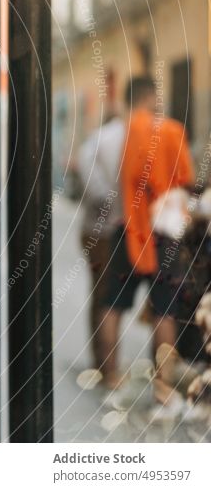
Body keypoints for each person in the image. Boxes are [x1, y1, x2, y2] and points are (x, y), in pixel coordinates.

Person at [97, 76, 194, 404]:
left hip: (127, 231)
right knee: (164, 310)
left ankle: (110, 375)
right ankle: (163, 388)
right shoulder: (172, 132)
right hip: (165, 235)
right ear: (152, 96)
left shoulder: (114, 135)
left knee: (112, 305)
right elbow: (186, 181)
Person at [76, 111, 125, 373]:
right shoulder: (105, 140)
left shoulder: (93, 142)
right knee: (106, 295)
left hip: (99, 229)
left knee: (102, 294)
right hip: (105, 231)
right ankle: (104, 364)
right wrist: (118, 206)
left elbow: (91, 184)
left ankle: (103, 362)